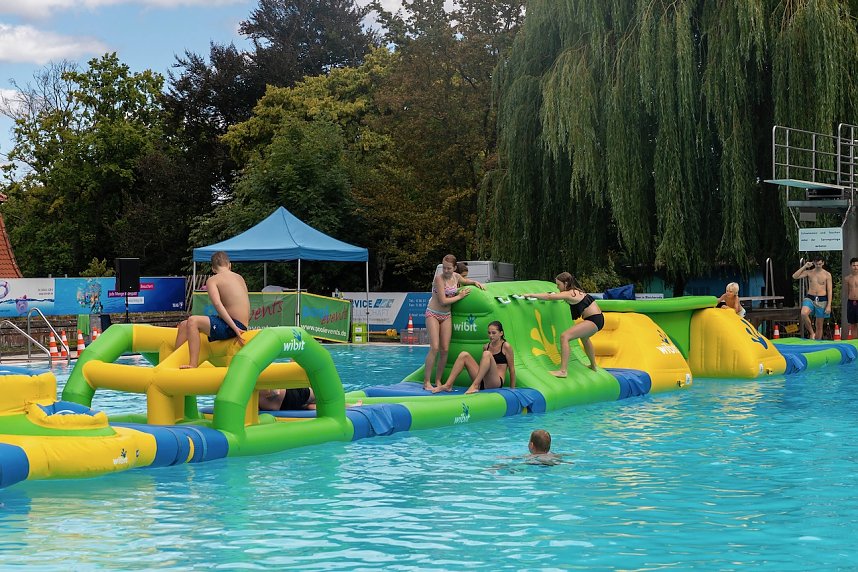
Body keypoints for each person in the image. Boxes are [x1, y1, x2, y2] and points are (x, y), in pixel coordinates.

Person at [175, 251, 250, 368]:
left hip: (234, 326)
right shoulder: (239, 277)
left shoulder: (213, 280)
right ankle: (174, 363)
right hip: (237, 324)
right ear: (229, 265)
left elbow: (217, 304)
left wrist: (235, 328)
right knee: (184, 325)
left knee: (193, 321)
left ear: (213, 269)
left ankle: (193, 364)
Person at [423, 254, 485, 391]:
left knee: (445, 349)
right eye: (444, 268)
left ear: (454, 268)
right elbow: (443, 301)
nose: (446, 270)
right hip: (433, 313)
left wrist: (475, 283)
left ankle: (438, 380)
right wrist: (460, 296)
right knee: (434, 347)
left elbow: (465, 281)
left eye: (449, 268)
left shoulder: (456, 277)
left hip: (446, 315)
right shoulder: (439, 279)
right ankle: (426, 381)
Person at [523, 272, 604, 376]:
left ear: (566, 283)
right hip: (598, 318)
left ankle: (563, 371)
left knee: (564, 336)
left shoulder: (569, 293)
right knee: (585, 338)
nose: (558, 287)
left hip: (593, 320)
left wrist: (530, 295)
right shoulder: (575, 291)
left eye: (558, 285)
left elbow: (548, 297)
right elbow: (556, 296)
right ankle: (593, 365)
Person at [433, 320, 516, 394]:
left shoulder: (506, 346)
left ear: (501, 333)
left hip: (495, 382)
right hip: (482, 381)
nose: (491, 335)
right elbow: (484, 366)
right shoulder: (486, 346)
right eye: (489, 333)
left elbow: (512, 370)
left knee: (487, 354)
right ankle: (448, 385)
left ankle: (475, 385)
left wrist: (513, 390)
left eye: (494, 333)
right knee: (464, 355)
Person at [792, 255, 833, 340]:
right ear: (813, 263)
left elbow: (829, 290)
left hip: (822, 299)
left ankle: (817, 343)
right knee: (803, 313)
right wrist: (804, 266)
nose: (818, 266)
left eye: (820, 264)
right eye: (816, 264)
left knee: (819, 325)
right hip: (810, 297)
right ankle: (811, 332)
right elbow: (795, 276)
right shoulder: (809, 272)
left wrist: (829, 305)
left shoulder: (827, 275)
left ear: (823, 263)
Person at [845, 257, 858, 339]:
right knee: (853, 323)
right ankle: (855, 343)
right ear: (851, 266)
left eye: (857, 265)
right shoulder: (847, 278)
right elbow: (846, 292)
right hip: (851, 302)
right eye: (854, 265)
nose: (856, 267)